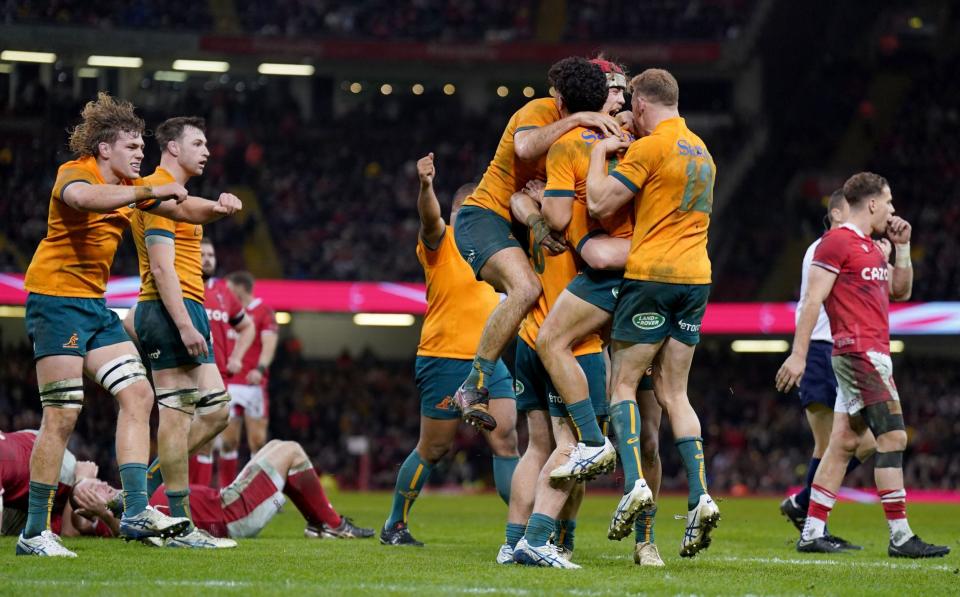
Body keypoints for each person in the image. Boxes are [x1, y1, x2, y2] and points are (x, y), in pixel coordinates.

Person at [17, 92, 240, 557]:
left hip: (94, 308)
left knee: (138, 394)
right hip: (56, 300)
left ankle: (137, 512)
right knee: (61, 413)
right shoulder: (78, 174)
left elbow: (182, 208)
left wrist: (216, 209)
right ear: (105, 149)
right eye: (133, 147)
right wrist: (147, 190)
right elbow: (84, 199)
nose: (142, 154)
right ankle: (34, 532)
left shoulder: (130, 191)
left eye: (142, 147)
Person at [582, 68, 720, 558]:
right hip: (696, 280)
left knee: (622, 386)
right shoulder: (702, 150)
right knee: (675, 394)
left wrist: (600, 152)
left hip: (652, 280)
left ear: (639, 105)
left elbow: (599, 203)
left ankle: (635, 483)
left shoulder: (649, 147)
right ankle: (701, 494)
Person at [776, 172, 949, 558]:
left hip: (869, 352)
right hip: (859, 353)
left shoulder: (870, 247)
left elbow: (901, 291)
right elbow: (812, 301)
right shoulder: (834, 242)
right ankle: (901, 536)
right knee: (893, 438)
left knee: (844, 444)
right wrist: (799, 354)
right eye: (888, 202)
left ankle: (812, 530)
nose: (892, 210)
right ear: (871, 203)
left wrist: (902, 248)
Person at [535, 58, 665, 567]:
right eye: (608, 94)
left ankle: (646, 539)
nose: (615, 103)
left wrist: (595, 244)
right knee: (570, 433)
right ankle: (560, 536)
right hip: (594, 293)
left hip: (639, 292)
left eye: (621, 95)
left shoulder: (645, 147)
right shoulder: (576, 145)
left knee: (648, 434)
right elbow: (561, 221)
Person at [452, 57, 622, 431]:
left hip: (521, 223)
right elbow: (526, 148)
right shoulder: (540, 110)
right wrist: (576, 120)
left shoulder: (593, 130)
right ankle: (473, 385)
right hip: (485, 216)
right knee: (526, 288)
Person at [380, 154, 518, 547]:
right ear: (464, 210)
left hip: (488, 363)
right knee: (434, 447)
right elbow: (429, 220)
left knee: (506, 442)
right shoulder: (444, 239)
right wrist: (426, 188)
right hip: (445, 357)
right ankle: (395, 525)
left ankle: (526, 531)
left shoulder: (498, 252)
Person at [129, 116, 243, 548]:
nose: (207, 150)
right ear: (172, 148)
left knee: (217, 410)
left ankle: (141, 489)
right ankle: (178, 525)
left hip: (189, 307)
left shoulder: (175, 195)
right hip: (168, 310)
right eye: (198, 142)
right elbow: (160, 267)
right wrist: (182, 324)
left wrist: (217, 207)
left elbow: (194, 209)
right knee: (175, 420)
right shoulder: (157, 185)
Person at [778, 190, 874, 550]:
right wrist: (800, 354)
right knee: (837, 445)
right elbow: (813, 303)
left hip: (838, 352)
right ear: (836, 213)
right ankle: (810, 519)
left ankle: (806, 507)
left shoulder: (842, 248)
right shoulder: (825, 248)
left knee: (855, 444)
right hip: (821, 351)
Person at [60, 440, 374, 543]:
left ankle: (319, 525)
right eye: (95, 491)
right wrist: (83, 487)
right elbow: (79, 528)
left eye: (99, 483)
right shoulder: (116, 519)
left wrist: (83, 480)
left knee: (277, 445)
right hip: (231, 514)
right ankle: (332, 524)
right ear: (88, 509)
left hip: (227, 500)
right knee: (291, 450)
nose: (102, 486)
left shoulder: (131, 495)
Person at [219, 271, 278, 467]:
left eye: (230, 288)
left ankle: (256, 492)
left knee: (258, 441)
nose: (226, 292)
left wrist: (260, 369)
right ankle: (226, 492)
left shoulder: (263, 311)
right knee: (228, 442)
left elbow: (269, 342)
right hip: (229, 383)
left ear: (241, 288)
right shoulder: (227, 312)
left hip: (252, 384)